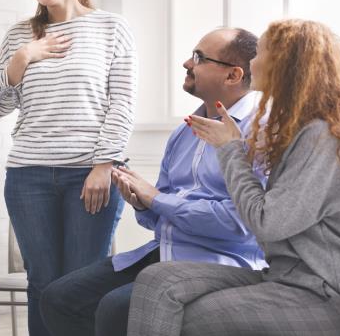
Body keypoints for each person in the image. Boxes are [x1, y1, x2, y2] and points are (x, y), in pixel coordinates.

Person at [39, 27, 267, 336]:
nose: (187, 63)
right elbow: (160, 220)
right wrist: (142, 203)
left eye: (199, 58)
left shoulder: (261, 133)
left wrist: (156, 199)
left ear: (233, 75)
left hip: (222, 260)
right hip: (165, 250)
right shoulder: (183, 132)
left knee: (117, 308)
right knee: (59, 298)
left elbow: (241, 224)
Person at [128, 19, 340, 335]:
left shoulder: (321, 137)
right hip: (283, 274)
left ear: (287, 65)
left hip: (324, 290)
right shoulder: (297, 128)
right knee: (156, 280)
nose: (252, 61)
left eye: (261, 53)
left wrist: (229, 149)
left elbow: (267, 224)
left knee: (194, 318)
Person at [0, 0, 137, 336]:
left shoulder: (111, 28)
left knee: (81, 285)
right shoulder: (19, 36)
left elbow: (122, 104)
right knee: (42, 283)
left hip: (90, 173)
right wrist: (22, 58)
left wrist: (103, 165)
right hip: (28, 176)